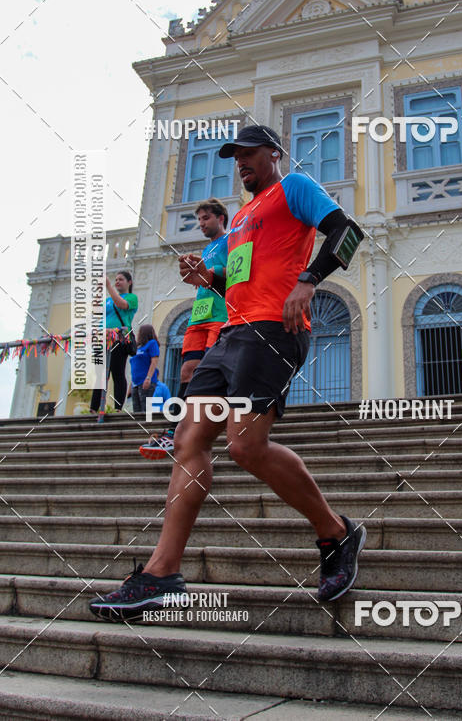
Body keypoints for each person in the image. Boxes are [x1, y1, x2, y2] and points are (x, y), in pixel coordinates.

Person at [89, 124, 365, 621]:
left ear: (273, 154)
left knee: (244, 446)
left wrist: (309, 281)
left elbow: (348, 233)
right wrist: (208, 277)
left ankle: (336, 532)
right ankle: (162, 574)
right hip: (229, 336)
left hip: (274, 331)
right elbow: (236, 281)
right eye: (234, 156)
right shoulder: (240, 220)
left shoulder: (294, 188)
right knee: (188, 441)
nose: (240, 162)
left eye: (249, 153)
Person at [139, 198, 228, 459]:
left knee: (209, 372)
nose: (201, 223)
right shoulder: (208, 247)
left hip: (221, 314)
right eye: (199, 219)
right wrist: (193, 273)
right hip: (198, 316)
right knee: (187, 370)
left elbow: (236, 270)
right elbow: (201, 278)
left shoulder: (232, 239)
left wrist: (208, 271)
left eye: (206, 218)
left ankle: (190, 429)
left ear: (220, 218)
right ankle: (175, 430)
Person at [90, 271, 138, 413]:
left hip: (119, 337)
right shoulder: (108, 300)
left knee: (117, 373)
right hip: (102, 338)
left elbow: (121, 305)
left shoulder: (131, 297)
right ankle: (94, 408)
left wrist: (109, 286)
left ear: (129, 282)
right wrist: (100, 288)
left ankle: (118, 408)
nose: (117, 282)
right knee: (100, 374)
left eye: (121, 279)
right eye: (116, 279)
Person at [129, 325, 160, 412]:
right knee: (136, 411)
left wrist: (148, 378)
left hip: (146, 381)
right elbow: (135, 368)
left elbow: (154, 361)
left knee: (145, 410)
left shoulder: (152, 344)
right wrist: (130, 387)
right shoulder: (138, 348)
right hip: (135, 383)